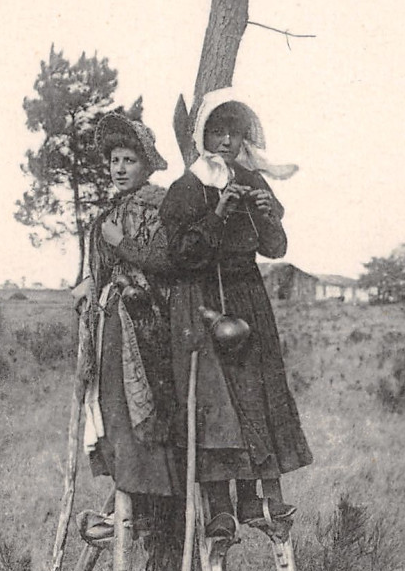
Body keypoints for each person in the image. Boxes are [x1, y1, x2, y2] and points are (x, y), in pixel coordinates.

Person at [159, 88, 312, 543]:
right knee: (216, 404)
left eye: (234, 132)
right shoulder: (188, 187)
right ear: (203, 134)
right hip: (206, 303)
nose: (226, 140)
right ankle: (220, 507)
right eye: (217, 131)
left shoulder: (252, 179)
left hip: (249, 298)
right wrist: (219, 213)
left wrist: (268, 217)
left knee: (256, 395)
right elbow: (181, 255)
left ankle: (254, 499)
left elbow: (275, 248)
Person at [73, 113, 181, 544]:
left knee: (143, 412)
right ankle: (126, 505)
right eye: (114, 160)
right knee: (114, 409)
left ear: (146, 166)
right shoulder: (107, 215)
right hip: (110, 320)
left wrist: (123, 247)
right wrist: (86, 283)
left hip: (146, 322)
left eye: (129, 160)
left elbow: (167, 263)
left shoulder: (159, 206)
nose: (119, 168)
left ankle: (148, 509)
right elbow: (99, 268)